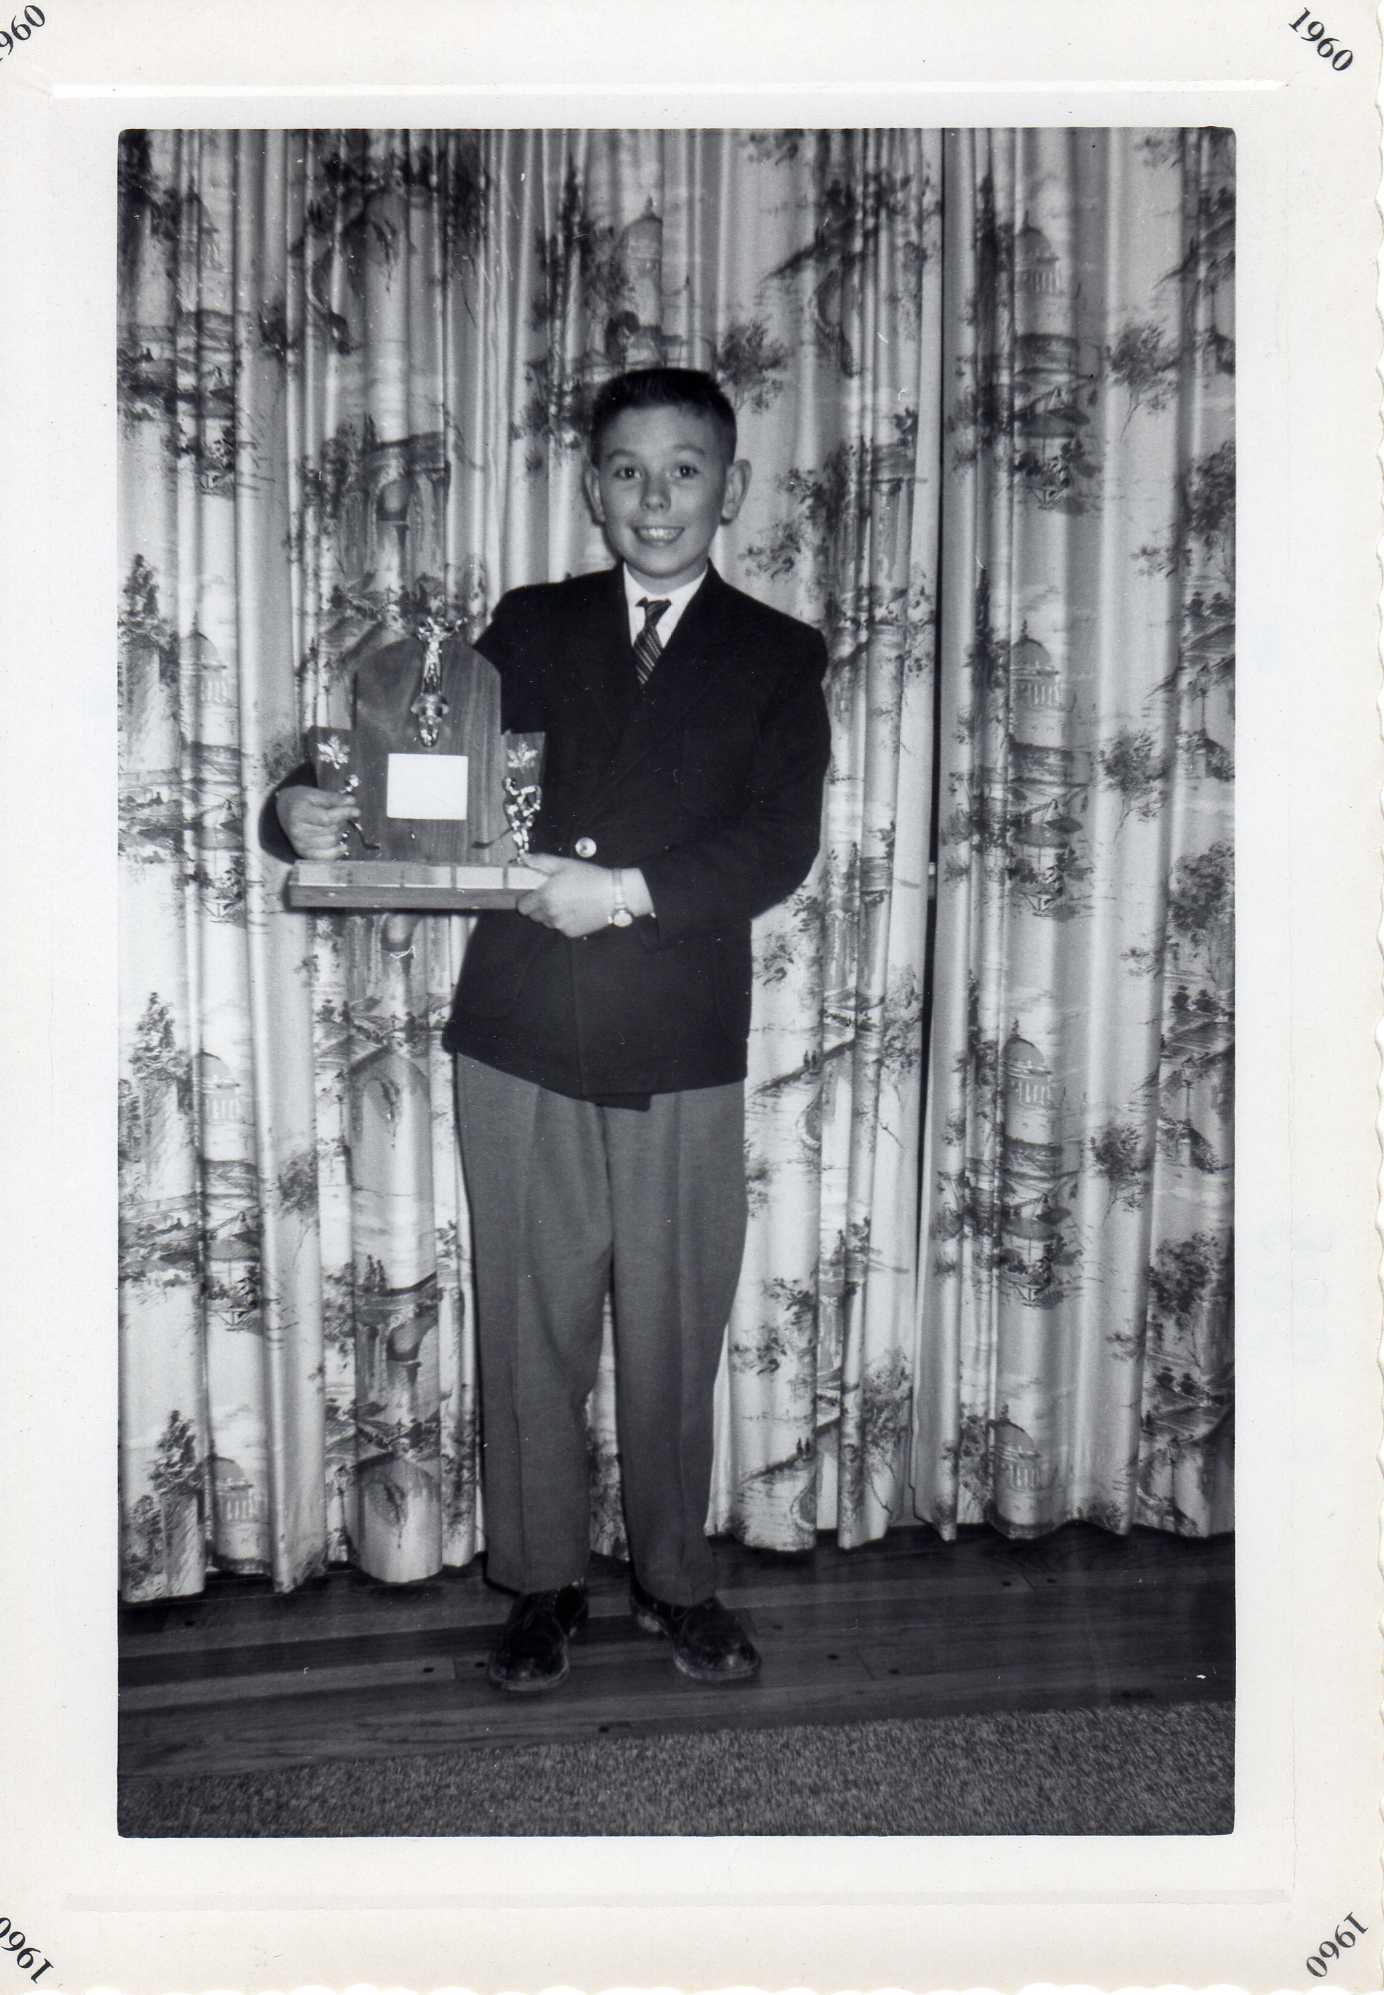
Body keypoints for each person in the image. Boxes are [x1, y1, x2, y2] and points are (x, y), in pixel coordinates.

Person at [272, 368, 831, 1694]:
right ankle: (540, 1584)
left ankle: (677, 1581)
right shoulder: (534, 622)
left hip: (679, 1038)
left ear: (733, 487)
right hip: (521, 1029)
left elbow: (779, 842)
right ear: (591, 488)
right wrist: (299, 808)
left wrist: (623, 892)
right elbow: (419, 748)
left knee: (675, 1327)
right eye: (627, 471)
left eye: (684, 469)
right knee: (531, 1326)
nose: (656, 497)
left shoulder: (777, 652)